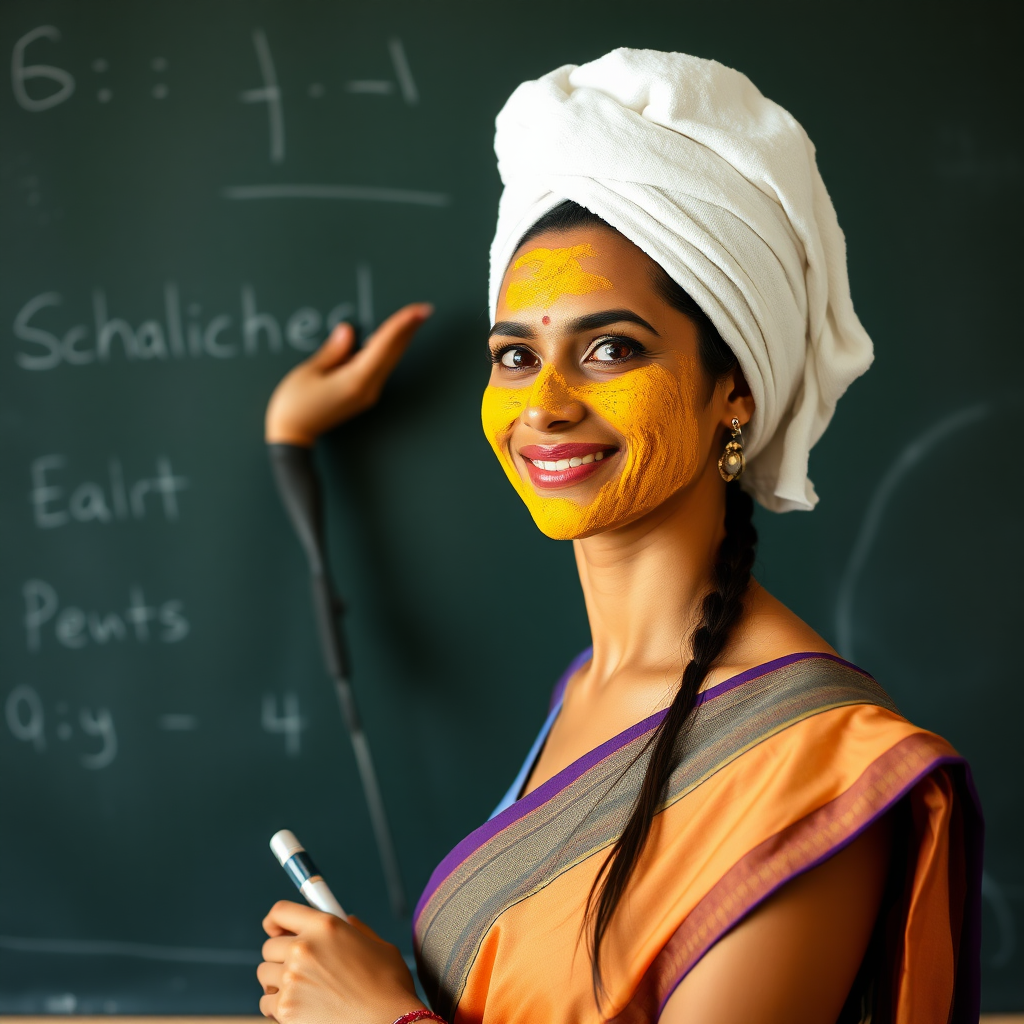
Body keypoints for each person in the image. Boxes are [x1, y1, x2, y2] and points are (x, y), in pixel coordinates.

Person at [256, 50, 981, 1024]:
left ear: (737, 392)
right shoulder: (592, 687)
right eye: (515, 355)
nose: (544, 404)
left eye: (608, 349)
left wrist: (377, 1015)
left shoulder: (817, 768)